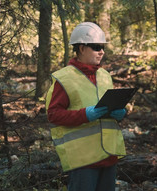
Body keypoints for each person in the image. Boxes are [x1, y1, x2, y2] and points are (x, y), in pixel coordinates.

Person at [45, 22, 127, 191]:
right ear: (81, 49)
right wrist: (85, 115)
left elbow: (107, 107)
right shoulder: (64, 78)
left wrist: (119, 113)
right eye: (96, 47)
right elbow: (53, 115)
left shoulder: (104, 76)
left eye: (103, 47)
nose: (102, 51)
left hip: (109, 155)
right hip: (83, 160)